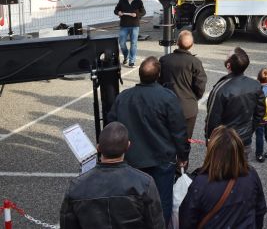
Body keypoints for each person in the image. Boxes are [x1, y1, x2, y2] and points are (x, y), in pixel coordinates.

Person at [107, 57, 188, 225]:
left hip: (132, 160)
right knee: (162, 201)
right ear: (158, 75)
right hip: (162, 160)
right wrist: (183, 154)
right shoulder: (167, 97)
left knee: (134, 203)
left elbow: (112, 126)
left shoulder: (124, 97)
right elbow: (178, 130)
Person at [59, 122, 164, 229]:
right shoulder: (145, 183)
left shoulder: (76, 186)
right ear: (128, 146)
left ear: (98, 147)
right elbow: (156, 224)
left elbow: (67, 224)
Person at [179, 126, 267, 229]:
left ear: (212, 152)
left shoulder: (200, 183)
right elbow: (260, 210)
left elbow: (187, 220)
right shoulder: (251, 175)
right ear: (238, 151)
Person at [206, 47, 265, 158]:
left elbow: (212, 119)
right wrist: (249, 130)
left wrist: (209, 140)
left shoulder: (221, 89)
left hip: (225, 143)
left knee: (222, 173)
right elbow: (260, 112)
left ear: (228, 65)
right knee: (242, 172)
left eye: (227, 55)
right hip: (244, 141)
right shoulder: (255, 85)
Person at [159, 30, 207, 140]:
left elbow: (159, 81)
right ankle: (183, 157)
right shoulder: (195, 62)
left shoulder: (164, 60)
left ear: (177, 43)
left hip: (167, 106)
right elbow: (200, 86)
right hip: (188, 108)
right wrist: (192, 98)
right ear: (191, 45)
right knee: (185, 141)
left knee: (166, 139)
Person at [115, 0, 146, 68]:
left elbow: (143, 12)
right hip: (124, 25)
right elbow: (116, 10)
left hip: (135, 25)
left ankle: (132, 61)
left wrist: (136, 15)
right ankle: (126, 56)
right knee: (121, 43)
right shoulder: (122, 1)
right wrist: (118, 12)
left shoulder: (138, 1)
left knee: (133, 43)